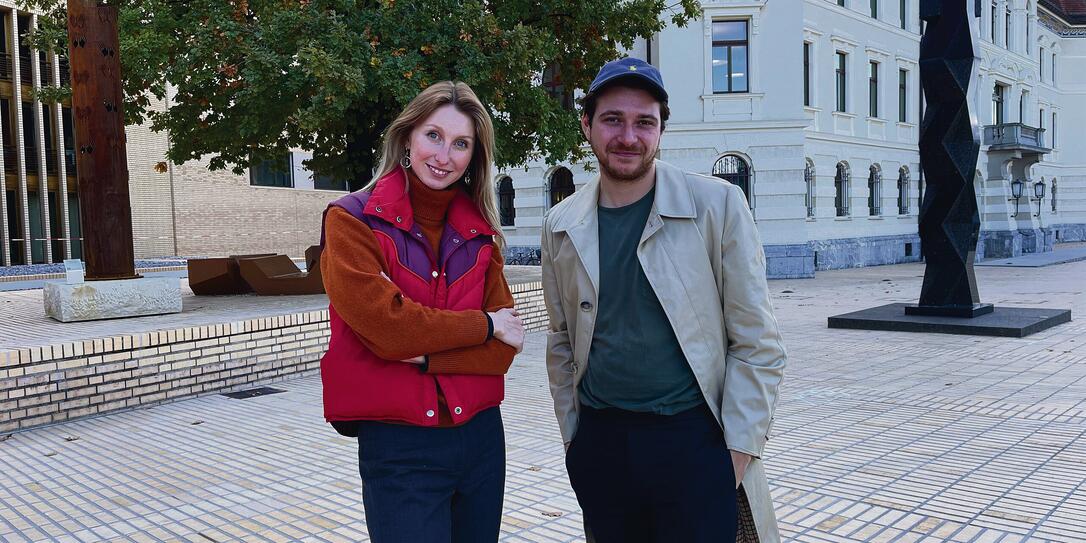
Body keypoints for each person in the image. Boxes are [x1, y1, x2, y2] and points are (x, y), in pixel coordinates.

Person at [541, 57, 787, 543]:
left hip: (694, 443)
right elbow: (562, 340)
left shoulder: (716, 206)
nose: (628, 136)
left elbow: (758, 342)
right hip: (602, 445)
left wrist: (734, 455)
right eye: (613, 120)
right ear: (587, 124)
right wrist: (575, 441)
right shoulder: (561, 223)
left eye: (644, 122)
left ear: (661, 131)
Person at [319, 81, 525, 543]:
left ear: (474, 156)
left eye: (461, 143)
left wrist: (427, 352)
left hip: (481, 441)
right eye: (433, 135)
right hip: (399, 444)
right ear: (407, 136)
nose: (443, 155)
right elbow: (390, 331)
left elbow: (504, 353)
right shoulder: (351, 222)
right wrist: (484, 325)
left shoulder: (480, 234)